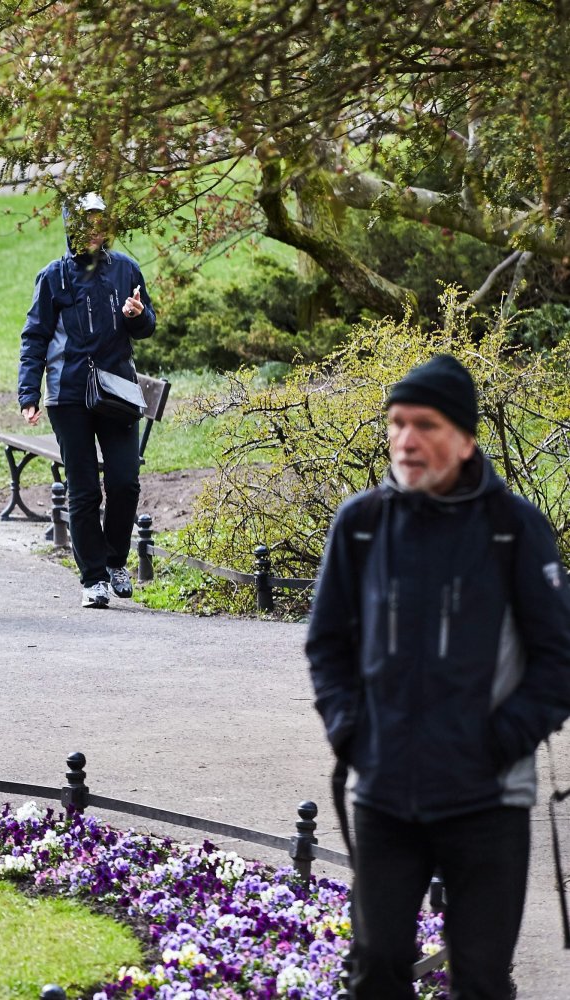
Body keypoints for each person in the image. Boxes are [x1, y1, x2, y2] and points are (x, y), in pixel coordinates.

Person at [306, 355, 570, 999]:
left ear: (465, 437)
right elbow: (326, 644)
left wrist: (497, 741)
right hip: (385, 796)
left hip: (488, 802)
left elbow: (560, 659)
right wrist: (350, 731)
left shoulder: (514, 529)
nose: (406, 439)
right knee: (375, 970)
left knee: (480, 980)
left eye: (424, 424)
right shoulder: (362, 525)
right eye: (396, 423)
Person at [18, 193, 155, 609]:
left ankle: (115, 562)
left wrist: (137, 315)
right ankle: (93, 577)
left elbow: (147, 325)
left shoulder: (126, 269)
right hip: (69, 395)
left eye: (100, 222)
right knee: (83, 490)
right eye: (86, 223)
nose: (95, 231)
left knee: (124, 482)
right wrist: (29, 392)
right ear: (71, 228)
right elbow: (35, 338)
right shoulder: (53, 277)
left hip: (116, 391)